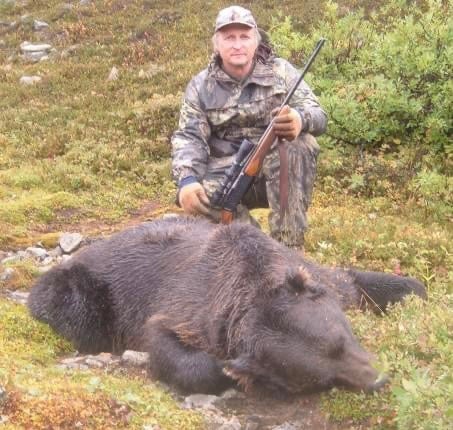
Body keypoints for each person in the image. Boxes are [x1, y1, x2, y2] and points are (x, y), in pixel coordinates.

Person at [171, 5, 327, 249]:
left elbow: (319, 115)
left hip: (274, 172)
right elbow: (189, 137)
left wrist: (299, 118)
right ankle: (259, 248)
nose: (237, 44)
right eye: (229, 37)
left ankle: (289, 248)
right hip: (225, 175)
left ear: (256, 40)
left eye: (244, 37)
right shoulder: (200, 86)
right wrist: (187, 180)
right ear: (216, 44)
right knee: (199, 198)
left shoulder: (281, 72)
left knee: (298, 146)